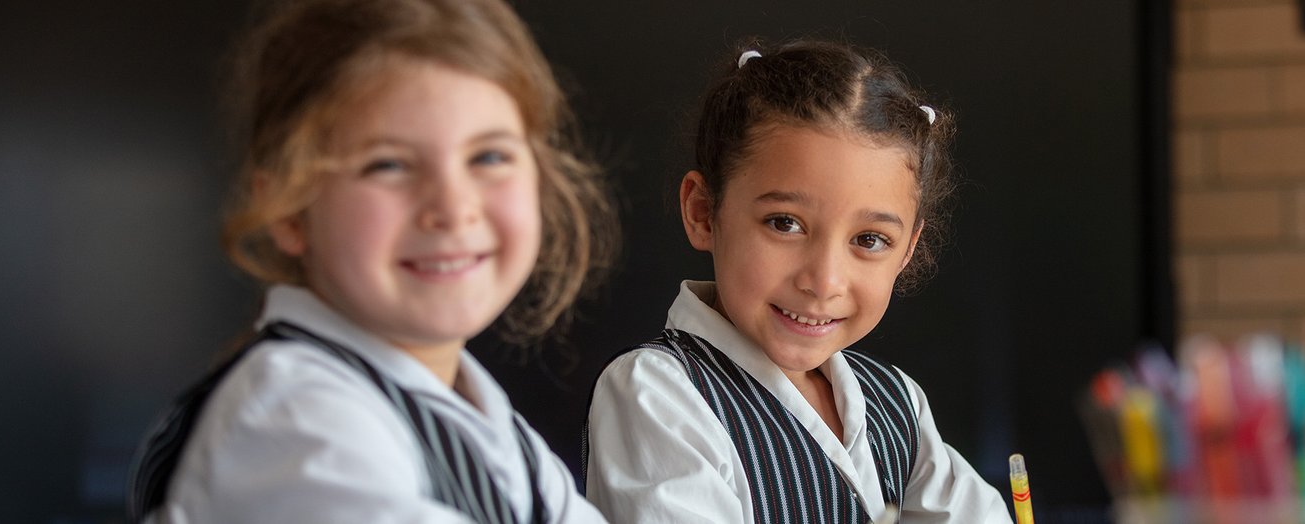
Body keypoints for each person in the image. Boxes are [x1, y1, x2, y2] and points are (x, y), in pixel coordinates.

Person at [126, 0, 613, 521]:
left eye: (489, 156)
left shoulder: (489, 426)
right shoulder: (295, 422)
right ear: (289, 210)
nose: (452, 209)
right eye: (389, 165)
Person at [584, 39, 1011, 523]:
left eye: (869, 240)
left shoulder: (897, 403)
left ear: (908, 250)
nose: (824, 281)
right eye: (785, 223)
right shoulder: (658, 393)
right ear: (704, 212)